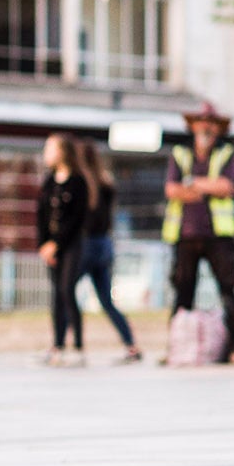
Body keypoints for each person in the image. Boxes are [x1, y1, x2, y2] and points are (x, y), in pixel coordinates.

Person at [164, 102, 234, 363]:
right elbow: (172, 190)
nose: (206, 128)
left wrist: (193, 183)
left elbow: (226, 186)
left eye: (210, 123)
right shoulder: (180, 153)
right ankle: (177, 345)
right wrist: (207, 187)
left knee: (228, 289)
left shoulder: (227, 153)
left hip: (218, 233)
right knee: (182, 290)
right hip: (186, 233)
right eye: (201, 122)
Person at [71, 137, 139, 362]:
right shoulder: (106, 182)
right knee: (107, 302)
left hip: (87, 245)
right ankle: (131, 344)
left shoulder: (82, 183)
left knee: (65, 292)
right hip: (105, 245)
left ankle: (71, 345)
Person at [35, 133, 91, 366]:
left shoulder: (78, 181)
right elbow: (41, 215)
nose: (46, 153)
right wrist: (44, 244)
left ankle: (77, 344)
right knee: (56, 293)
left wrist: (57, 243)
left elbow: (77, 219)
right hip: (51, 247)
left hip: (71, 245)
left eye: (50, 148)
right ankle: (57, 344)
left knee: (68, 290)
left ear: (62, 151)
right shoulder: (49, 181)